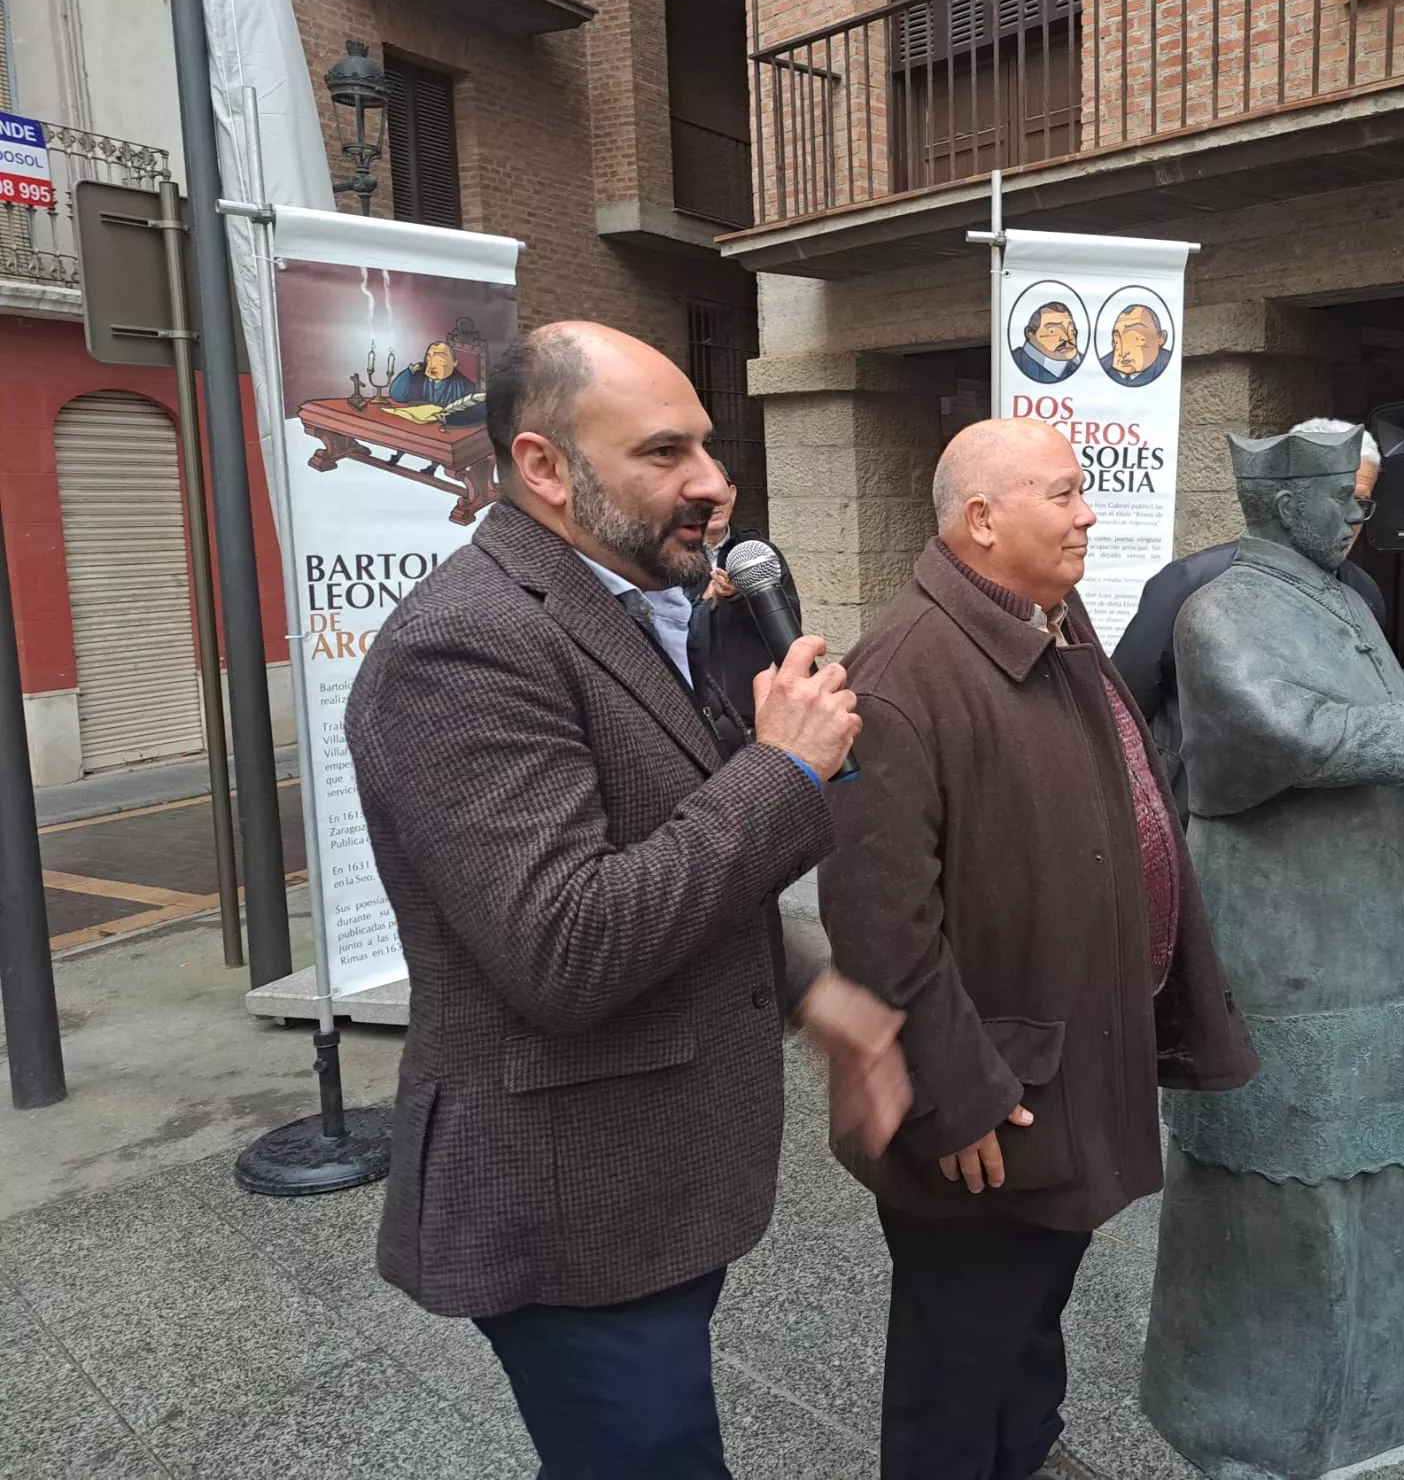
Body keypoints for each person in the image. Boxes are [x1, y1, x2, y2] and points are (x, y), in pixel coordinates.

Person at [345, 322, 909, 1478]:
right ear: (545, 467)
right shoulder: (463, 646)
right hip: (563, 1206)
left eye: (707, 445)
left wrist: (814, 995)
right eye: (663, 453)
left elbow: (670, 857)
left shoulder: (646, 605)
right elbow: (564, 942)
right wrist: (780, 769)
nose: (711, 483)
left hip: (651, 1184)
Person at [819, 418, 1258, 1480]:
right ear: (981, 519)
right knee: (955, 1356)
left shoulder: (1044, 623)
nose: (1087, 512)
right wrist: (952, 1090)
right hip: (991, 1096)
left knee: (1028, 1312)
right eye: (1061, 494)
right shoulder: (903, 672)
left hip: (1059, 1064)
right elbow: (877, 918)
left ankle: (1025, 1452)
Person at [1140, 424, 1404, 1475]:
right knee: (1277, 1190)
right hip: (1281, 936)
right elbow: (1271, 734)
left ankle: (1401, 1393)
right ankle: (1247, 1421)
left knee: (1403, 1181)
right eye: (1342, 496)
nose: (1358, 514)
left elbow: (1371, 717)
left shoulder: (1346, 600)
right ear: (1280, 499)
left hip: (1379, 926)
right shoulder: (1221, 609)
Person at [1113, 418, 1385, 823]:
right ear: (1289, 501)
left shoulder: (1362, 593)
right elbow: (1126, 703)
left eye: (1363, 503)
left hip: (1325, 826)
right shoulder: (1192, 582)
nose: (1353, 519)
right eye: (1342, 498)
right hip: (1202, 813)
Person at [688, 460, 797, 730]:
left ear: (733, 493)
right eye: (702, 494)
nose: (714, 503)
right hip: (702, 717)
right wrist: (705, 604)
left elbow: (791, 626)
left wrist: (742, 597)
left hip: (759, 711)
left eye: (720, 490)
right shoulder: (672, 560)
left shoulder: (757, 553)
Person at [1100, 304, 1172, 388]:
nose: (1123, 353)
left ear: (1160, 338)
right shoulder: (1102, 367)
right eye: (1117, 342)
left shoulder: (1171, 365)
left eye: (1135, 339)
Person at [1013, 302, 1083, 384]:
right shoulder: (1013, 362)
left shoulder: (1087, 362)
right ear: (1030, 333)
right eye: (1052, 331)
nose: (1066, 338)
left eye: (1071, 330)